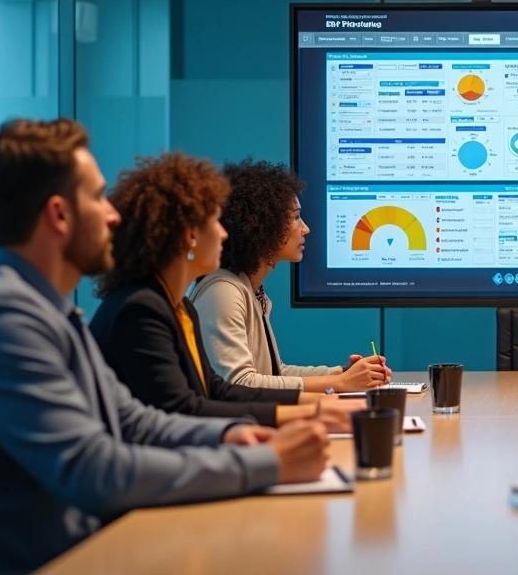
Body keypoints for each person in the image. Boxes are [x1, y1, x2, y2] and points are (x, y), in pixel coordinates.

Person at [0, 119, 329, 574]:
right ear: (58, 214)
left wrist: (228, 435)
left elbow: (131, 420)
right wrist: (263, 464)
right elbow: (93, 470)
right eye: (95, 196)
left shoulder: (48, 312)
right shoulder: (2, 320)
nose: (113, 215)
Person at [89, 153, 366, 432]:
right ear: (190, 235)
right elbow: (185, 411)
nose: (224, 233)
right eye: (214, 221)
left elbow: (219, 391)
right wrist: (316, 405)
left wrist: (319, 402)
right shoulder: (140, 310)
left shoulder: (178, 306)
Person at [191, 158, 389, 391]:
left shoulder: (249, 290)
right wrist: (341, 383)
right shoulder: (223, 292)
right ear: (264, 225)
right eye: (295, 217)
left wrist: (343, 373)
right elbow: (240, 384)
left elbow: (275, 373)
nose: (305, 228)